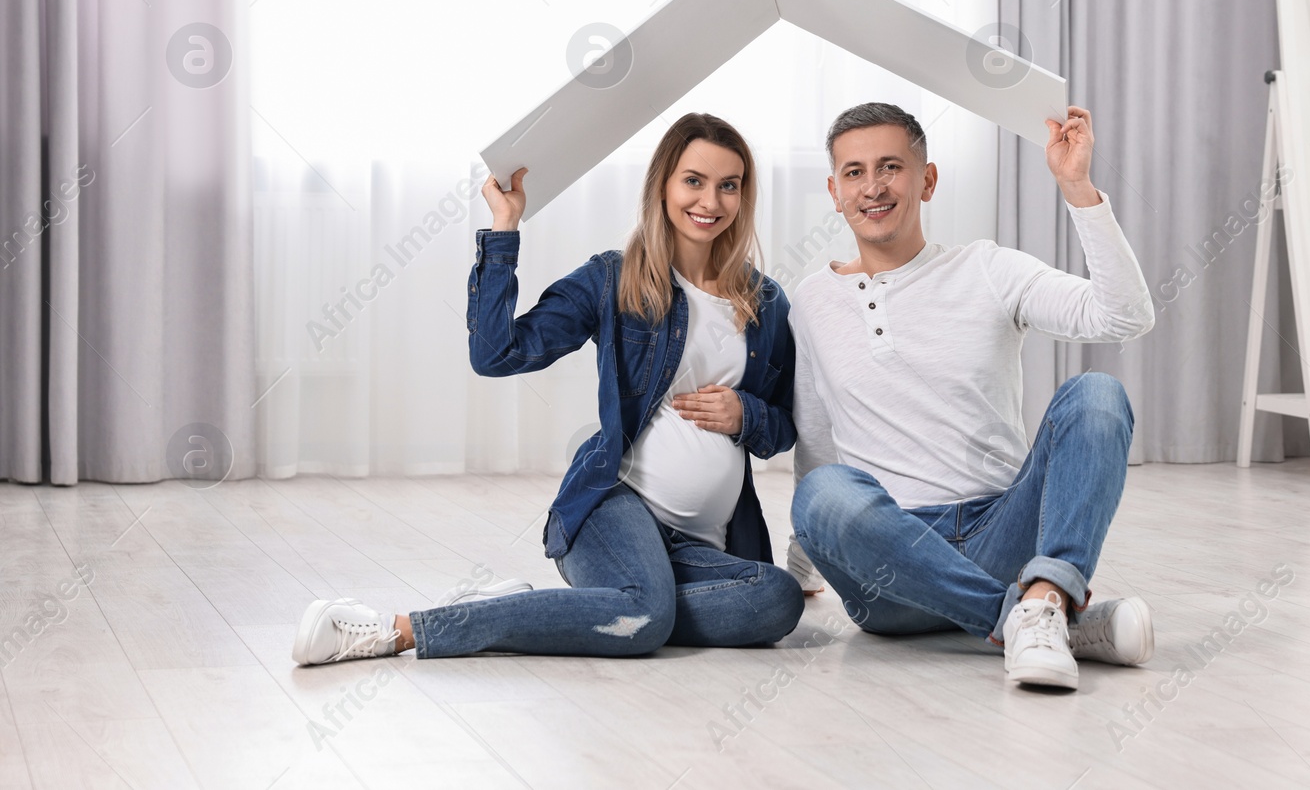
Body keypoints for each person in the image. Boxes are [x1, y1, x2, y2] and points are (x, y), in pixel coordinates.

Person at [292, 113, 804, 666]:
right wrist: (505, 229)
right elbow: (496, 355)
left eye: (729, 185)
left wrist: (745, 414)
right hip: (613, 508)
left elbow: (780, 432)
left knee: (776, 599)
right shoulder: (614, 278)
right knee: (645, 620)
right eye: (694, 180)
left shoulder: (764, 302)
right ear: (663, 185)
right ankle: (400, 629)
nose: (711, 200)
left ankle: (588, 609)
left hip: (706, 547)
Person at [787, 102, 1157, 689]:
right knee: (821, 491)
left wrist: (1077, 186)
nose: (873, 186)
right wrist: (804, 562)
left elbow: (1125, 317)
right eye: (854, 173)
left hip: (1000, 532)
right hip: (890, 569)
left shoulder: (988, 269)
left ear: (926, 180)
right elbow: (814, 436)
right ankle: (1040, 616)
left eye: (891, 167)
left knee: (1098, 394)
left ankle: (1042, 598)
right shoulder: (809, 300)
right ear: (834, 191)